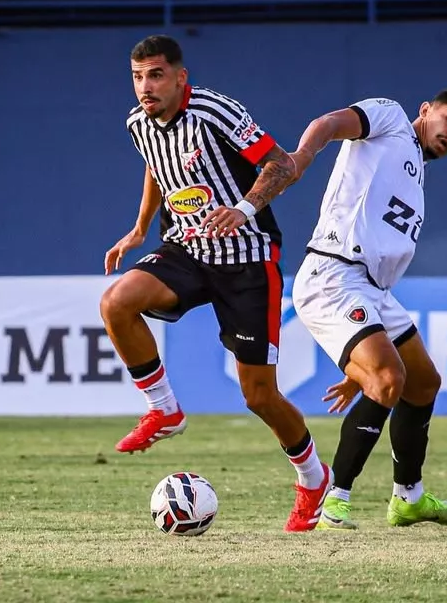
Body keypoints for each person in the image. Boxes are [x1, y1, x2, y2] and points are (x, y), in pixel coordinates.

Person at [99, 34, 331, 533]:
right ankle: (164, 410)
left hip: (247, 260)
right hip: (186, 249)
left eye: (156, 75)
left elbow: (282, 165)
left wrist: (243, 209)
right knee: (117, 302)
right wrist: (140, 229)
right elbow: (156, 168)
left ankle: (314, 479)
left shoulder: (215, 111)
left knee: (260, 396)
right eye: (138, 76)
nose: (146, 86)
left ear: (181, 77)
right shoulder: (138, 122)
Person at [287, 91, 447, 530]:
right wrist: (302, 156)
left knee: (423, 382)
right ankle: (332, 501)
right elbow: (330, 122)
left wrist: (360, 360)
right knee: (389, 378)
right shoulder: (391, 119)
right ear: (426, 110)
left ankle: (408, 499)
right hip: (334, 273)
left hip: (371, 290)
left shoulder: (416, 170)